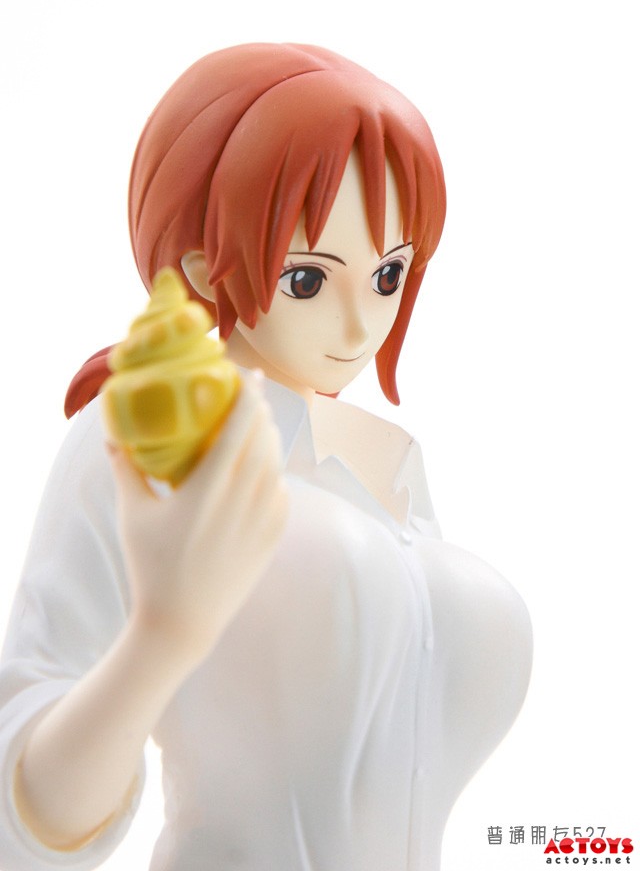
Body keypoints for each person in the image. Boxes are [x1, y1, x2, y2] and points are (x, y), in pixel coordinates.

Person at [0, 43, 532, 871]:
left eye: (388, 275)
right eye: (308, 280)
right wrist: (162, 637)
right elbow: (22, 819)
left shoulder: (389, 462)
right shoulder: (144, 433)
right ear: (203, 267)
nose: (360, 325)